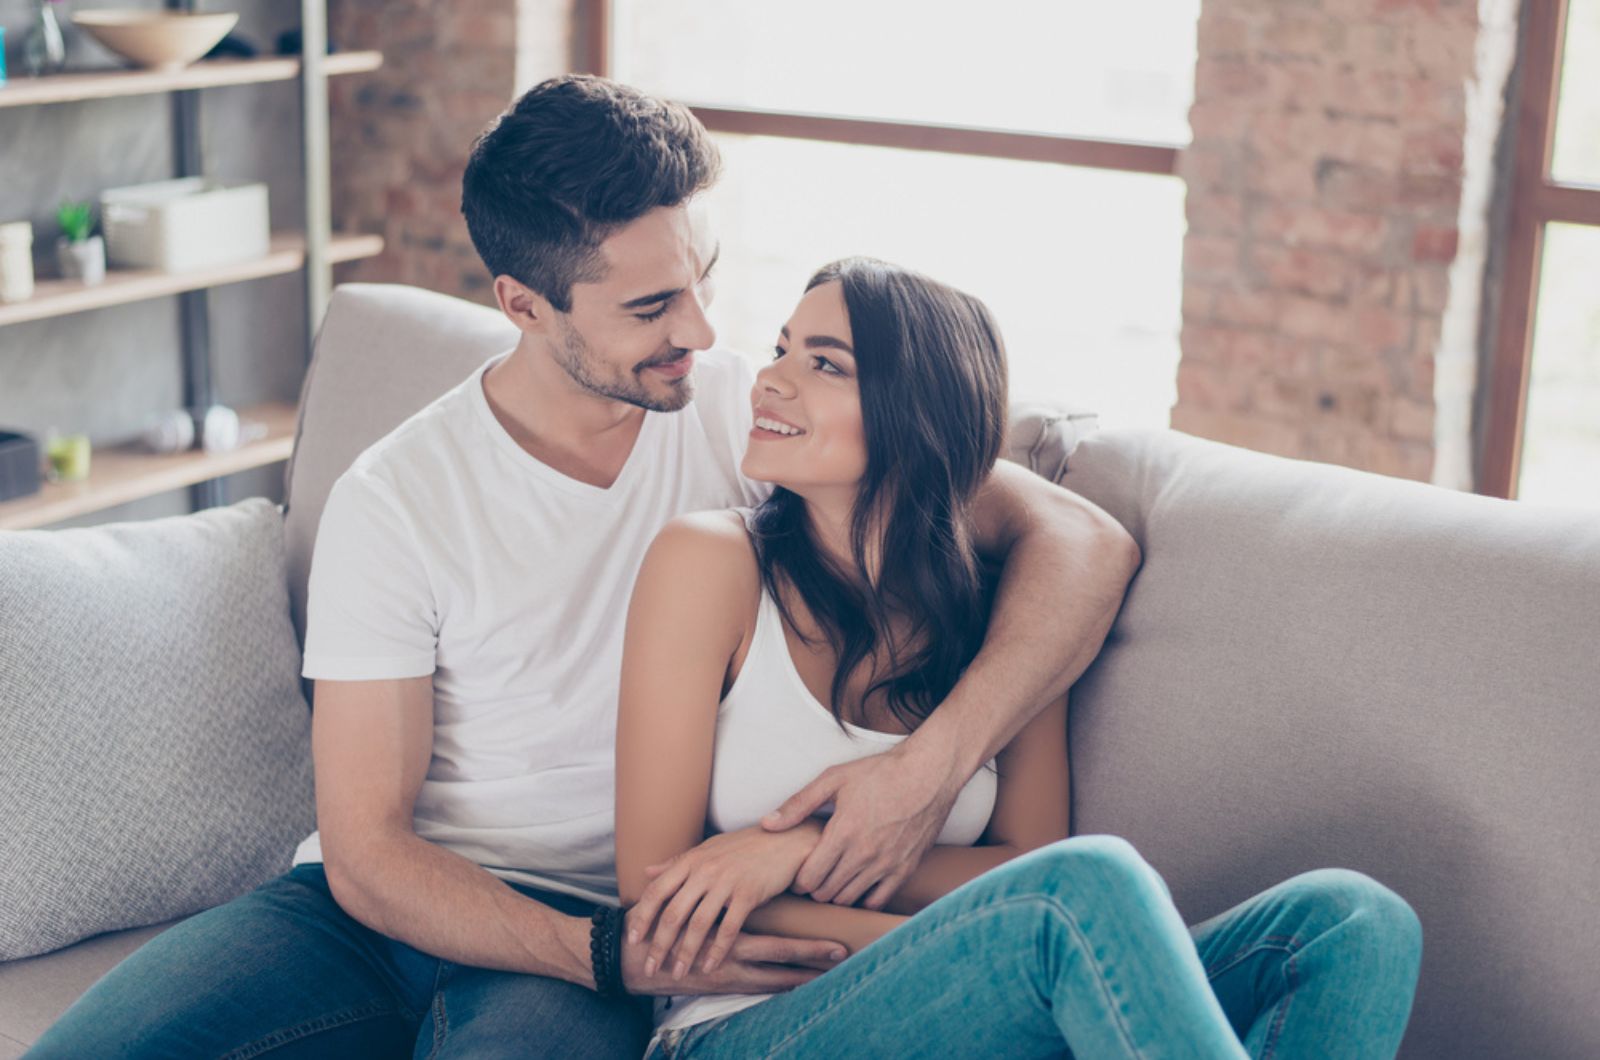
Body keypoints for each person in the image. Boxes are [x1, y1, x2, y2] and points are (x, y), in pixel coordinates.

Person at [27, 78, 1139, 1058]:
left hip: (619, 913)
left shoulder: (747, 419)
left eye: (700, 280)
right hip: (408, 916)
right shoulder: (400, 497)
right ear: (521, 303)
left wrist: (926, 768)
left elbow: (1083, 543)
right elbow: (369, 849)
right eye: (651, 307)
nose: (701, 331)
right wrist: (605, 954)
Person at [614, 257, 1424, 1058]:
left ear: (919, 417)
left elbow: (1023, 863)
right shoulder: (711, 562)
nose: (771, 380)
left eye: (825, 364)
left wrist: (792, 853)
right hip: (738, 1028)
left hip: (987, 1003)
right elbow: (656, 894)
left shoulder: (1007, 614)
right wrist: (963, 949)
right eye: (782, 348)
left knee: (1352, 922)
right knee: (1085, 887)